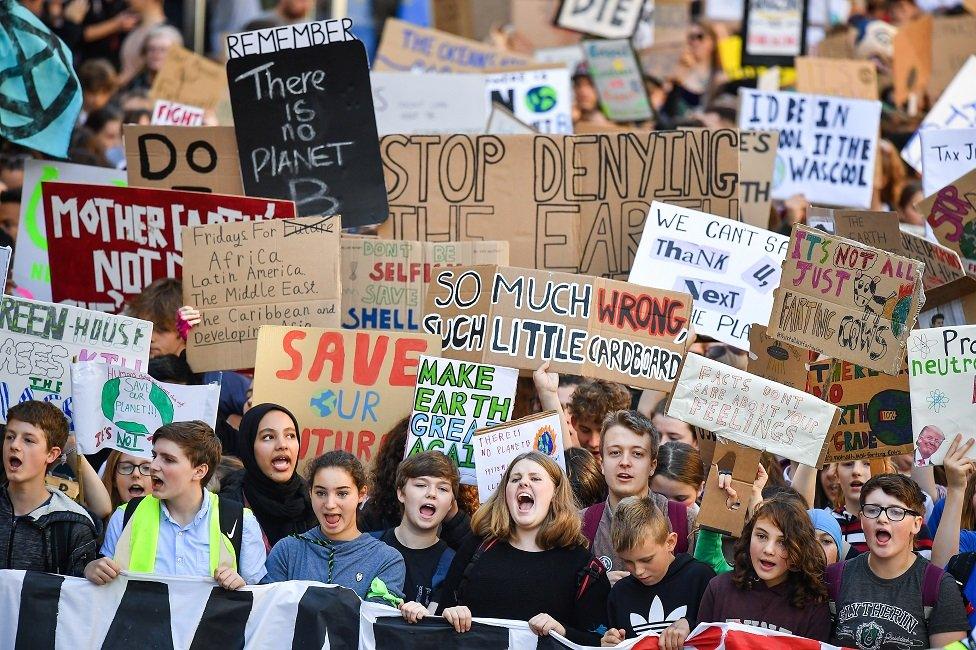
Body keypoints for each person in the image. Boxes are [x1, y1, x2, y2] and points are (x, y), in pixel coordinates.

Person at [438, 452, 610, 644]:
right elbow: (439, 620)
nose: (523, 483)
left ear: (555, 493)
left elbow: (599, 642)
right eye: (515, 479)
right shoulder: (478, 546)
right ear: (505, 493)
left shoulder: (584, 567)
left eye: (535, 478)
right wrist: (451, 614)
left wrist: (562, 632)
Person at [85, 421, 267, 589]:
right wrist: (92, 570)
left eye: (168, 459)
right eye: (154, 456)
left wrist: (242, 586)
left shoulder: (241, 521)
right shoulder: (125, 515)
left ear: (199, 471)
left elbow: (260, 599)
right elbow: (104, 591)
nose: (154, 466)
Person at [829, 474, 969, 649]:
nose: (882, 518)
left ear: (916, 524)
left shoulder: (939, 586)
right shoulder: (834, 578)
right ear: (862, 520)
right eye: (872, 510)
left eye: (896, 512)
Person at [263, 451, 406, 604]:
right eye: (321, 493)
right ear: (310, 493)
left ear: (362, 494)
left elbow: (375, 622)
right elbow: (266, 613)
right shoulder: (287, 551)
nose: (330, 504)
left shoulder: (386, 559)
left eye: (342, 493)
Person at [579, 410, 697, 583]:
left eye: (637, 454)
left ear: (652, 465)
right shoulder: (579, 525)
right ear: (602, 464)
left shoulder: (685, 521)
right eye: (615, 453)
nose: (625, 462)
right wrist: (597, 587)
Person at [698, 495, 831, 639]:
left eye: (783, 542)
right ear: (749, 537)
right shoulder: (719, 588)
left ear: (800, 550)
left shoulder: (813, 606)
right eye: (761, 536)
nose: (768, 549)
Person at [0, 401, 99, 575]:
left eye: (28, 440)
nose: (14, 445)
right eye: (10, 436)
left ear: (52, 454)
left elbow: (76, 597)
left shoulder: (73, 524)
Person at [602, 496, 715, 648]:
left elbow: (721, 633)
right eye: (627, 562)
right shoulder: (619, 593)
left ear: (670, 542)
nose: (638, 571)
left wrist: (691, 624)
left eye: (647, 560)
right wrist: (610, 643)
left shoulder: (700, 578)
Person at [218, 404, 317, 550]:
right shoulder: (226, 506)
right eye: (268, 437)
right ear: (249, 446)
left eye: (290, 435)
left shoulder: (315, 501)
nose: (282, 445)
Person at [380, 452, 460, 621]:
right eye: (421, 485)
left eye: (443, 488)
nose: (431, 493)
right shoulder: (367, 545)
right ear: (401, 493)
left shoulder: (454, 564)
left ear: (451, 503)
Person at [833, 460, 934, 559]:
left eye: (867, 463)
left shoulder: (912, 522)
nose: (856, 471)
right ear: (836, 475)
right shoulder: (828, 523)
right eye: (848, 464)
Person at [567, 379, 632, 460]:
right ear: (574, 422)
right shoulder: (573, 465)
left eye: (602, 432)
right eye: (585, 430)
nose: (593, 443)